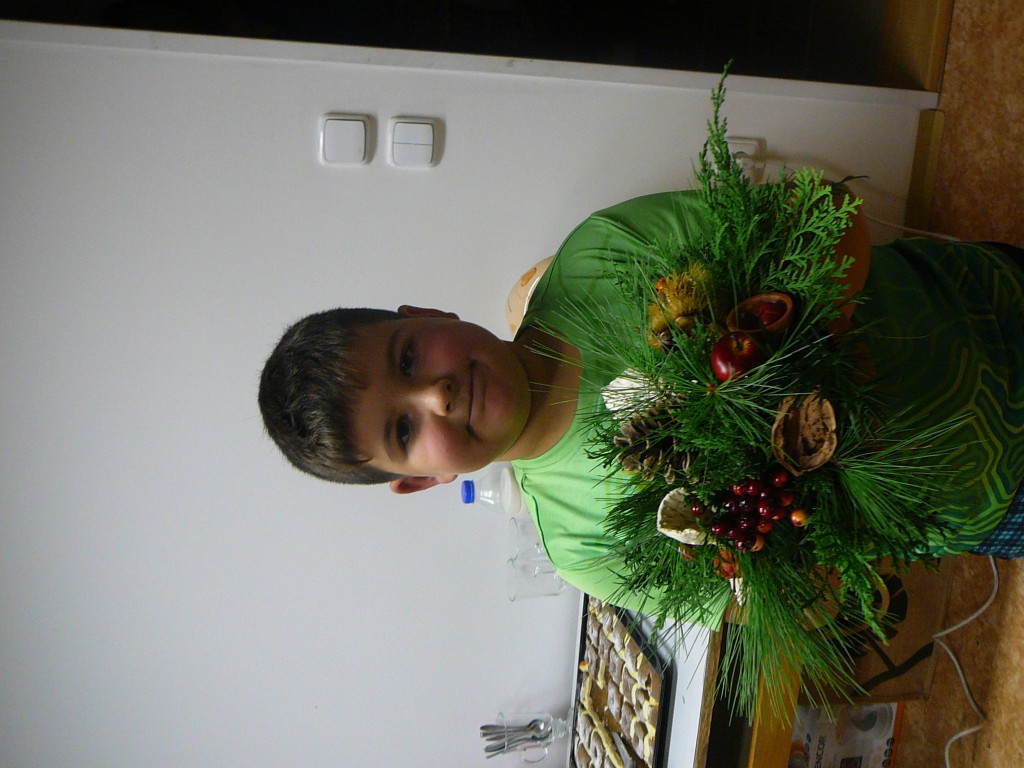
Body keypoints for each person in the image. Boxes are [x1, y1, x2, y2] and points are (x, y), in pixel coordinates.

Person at [258, 188, 1024, 623]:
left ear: (426, 314)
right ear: (421, 480)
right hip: (985, 491)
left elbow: (829, 216)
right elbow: (787, 603)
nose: (437, 392)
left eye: (408, 357)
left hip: (985, 302)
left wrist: (803, 357)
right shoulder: (583, 546)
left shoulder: (600, 256)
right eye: (403, 428)